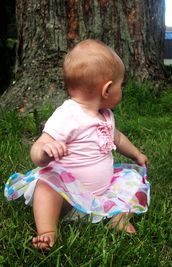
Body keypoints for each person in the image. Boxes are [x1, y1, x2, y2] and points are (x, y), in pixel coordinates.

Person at [4, 39, 150, 250]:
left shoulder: (106, 115)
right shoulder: (69, 115)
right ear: (107, 89)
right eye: (121, 84)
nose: (122, 89)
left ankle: (119, 218)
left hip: (103, 190)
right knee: (45, 186)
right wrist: (44, 151)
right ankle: (47, 232)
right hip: (68, 195)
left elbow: (117, 138)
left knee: (134, 180)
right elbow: (38, 148)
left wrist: (136, 154)